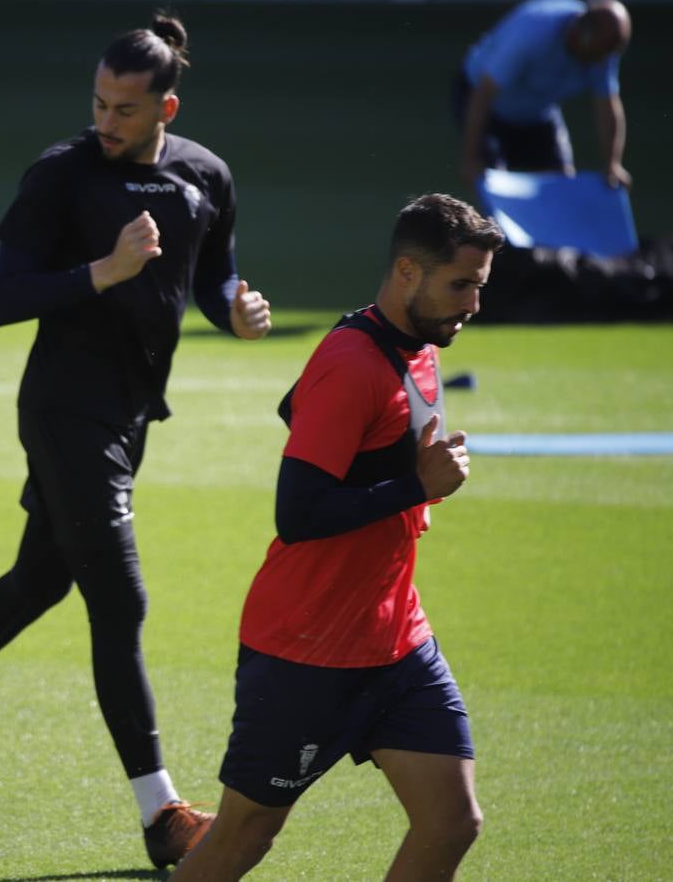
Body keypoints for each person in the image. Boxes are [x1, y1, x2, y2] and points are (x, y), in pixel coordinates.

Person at [0, 13, 272, 871]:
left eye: (125, 108)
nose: (106, 121)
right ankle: (161, 818)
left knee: (40, 580)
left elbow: (215, 266)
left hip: (128, 418)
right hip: (63, 412)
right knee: (121, 605)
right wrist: (103, 272)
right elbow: (3, 299)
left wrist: (234, 307)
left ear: (167, 108)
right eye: (99, 102)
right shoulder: (61, 174)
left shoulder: (204, 176)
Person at [169, 193, 502, 881]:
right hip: (307, 650)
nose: (472, 303)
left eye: (479, 285)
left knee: (452, 821)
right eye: (460, 284)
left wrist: (405, 480)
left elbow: (300, 408)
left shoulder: (419, 349)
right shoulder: (352, 362)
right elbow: (298, 513)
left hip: (396, 640)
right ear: (407, 271)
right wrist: (416, 488)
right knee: (241, 841)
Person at [454, 0, 632, 189]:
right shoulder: (532, 33)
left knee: (562, 186)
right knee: (491, 185)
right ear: (581, 34)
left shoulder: (602, 51)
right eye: (597, 55)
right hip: (483, 105)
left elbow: (607, 106)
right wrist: (470, 158)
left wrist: (612, 164)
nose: (601, 64)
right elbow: (483, 93)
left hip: (537, 113)